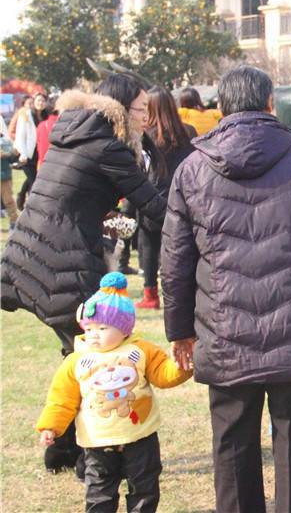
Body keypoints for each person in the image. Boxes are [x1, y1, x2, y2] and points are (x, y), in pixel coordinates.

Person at [161, 65, 291, 512]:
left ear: (221, 109)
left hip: (224, 332)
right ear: (271, 104)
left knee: (232, 447)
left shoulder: (192, 170)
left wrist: (180, 331)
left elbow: (174, 261)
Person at [0, 73, 167, 473]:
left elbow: (71, 200)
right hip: (61, 264)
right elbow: (153, 207)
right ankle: (90, 458)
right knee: (97, 357)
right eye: (142, 109)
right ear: (122, 110)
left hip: (33, 256)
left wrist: (102, 219)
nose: (147, 117)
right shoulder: (108, 146)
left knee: (79, 352)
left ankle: (64, 449)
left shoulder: (72, 132)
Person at [36, 272, 192, 513]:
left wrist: (182, 368)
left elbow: (163, 374)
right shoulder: (77, 360)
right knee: (99, 492)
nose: (94, 334)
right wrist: (51, 427)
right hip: (98, 440)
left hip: (140, 435)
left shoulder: (141, 350)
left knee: (145, 488)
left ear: (124, 328)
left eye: (103, 327)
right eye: (89, 328)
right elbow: (61, 398)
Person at [135, 87, 197, 310]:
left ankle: (151, 295)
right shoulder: (189, 133)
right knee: (181, 249)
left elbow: (141, 170)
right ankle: (182, 294)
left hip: (154, 200)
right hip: (184, 199)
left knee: (149, 246)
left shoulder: (146, 137)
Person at [0, 117, 18, 229]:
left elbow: (13, 159)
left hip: (4, 177)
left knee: (8, 201)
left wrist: (11, 154)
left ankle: (14, 222)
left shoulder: (5, 142)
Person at [35, 95, 60, 167]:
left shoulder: (41, 125)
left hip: (44, 165)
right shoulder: (67, 124)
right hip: (61, 166)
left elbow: (39, 147)